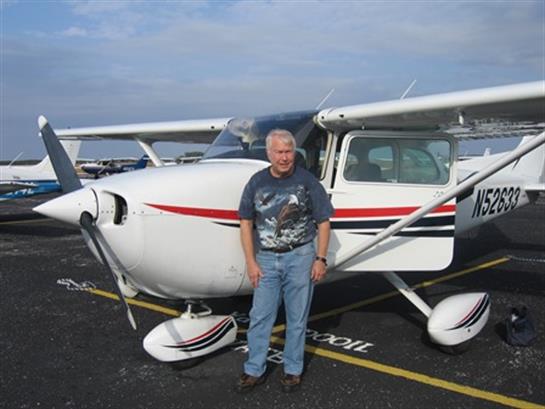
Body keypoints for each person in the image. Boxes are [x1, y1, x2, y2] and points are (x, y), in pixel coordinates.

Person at [237, 129, 334, 393]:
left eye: (288, 151)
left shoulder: (307, 181)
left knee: (297, 318)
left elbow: (323, 222)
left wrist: (320, 258)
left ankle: (293, 370)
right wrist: (251, 262)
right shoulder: (256, 182)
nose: (284, 157)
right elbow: (245, 223)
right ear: (269, 154)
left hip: (300, 256)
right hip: (266, 259)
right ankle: (253, 370)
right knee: (260, 317)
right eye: (279, 152)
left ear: (294, 152)